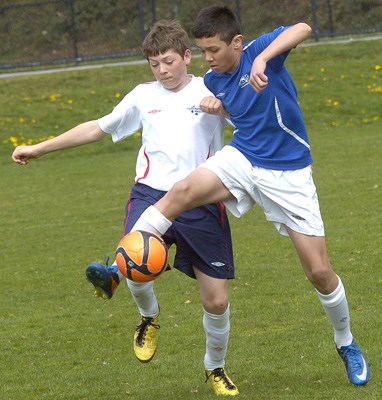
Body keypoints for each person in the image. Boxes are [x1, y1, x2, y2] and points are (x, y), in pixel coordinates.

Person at [129, 5, 370, 388]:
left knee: (319, 272)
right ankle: (128, 253)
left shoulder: (262, 53)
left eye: (213, 50)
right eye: (202, 51)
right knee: (184, 189)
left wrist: (262, 59)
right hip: (244, 158)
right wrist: (219, 105)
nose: (207, 59)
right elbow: (234, 111)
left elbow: (304, 26)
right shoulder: (213, 80)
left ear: (236, 43)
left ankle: (347, 343)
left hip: (289, 172)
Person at [12, 20, 240, 396]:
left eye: (168, 61)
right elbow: (96, 129)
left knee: (216, 300)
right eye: (154, 63)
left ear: (187, 56)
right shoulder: (142, 96)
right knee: (137, 266)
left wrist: (222, 109)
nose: (162, 70)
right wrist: (39, 147)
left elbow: (250, 122)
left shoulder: (212, 88)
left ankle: (214, 368)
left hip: (201, 199)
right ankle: (148, 316)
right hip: (150, 195)